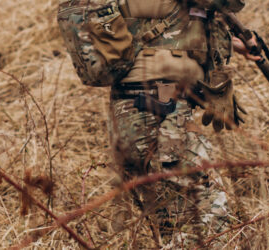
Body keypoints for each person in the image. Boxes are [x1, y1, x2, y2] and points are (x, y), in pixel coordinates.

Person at [57, 0, 258, 247]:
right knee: (205, 222)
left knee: (176, 223)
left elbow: (157, 19)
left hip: (139, 109)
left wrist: (229, 42)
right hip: (159, 111)